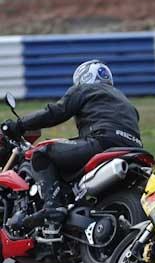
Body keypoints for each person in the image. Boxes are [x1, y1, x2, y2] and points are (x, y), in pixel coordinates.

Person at [2, 60, 143, 230]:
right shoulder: (126, 102)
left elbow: (55, 112)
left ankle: (53, 206)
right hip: (134, 150)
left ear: (83, 77)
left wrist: (20, 125)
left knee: (42, 153)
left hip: (102, 143)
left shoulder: (85, 89)